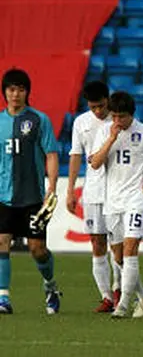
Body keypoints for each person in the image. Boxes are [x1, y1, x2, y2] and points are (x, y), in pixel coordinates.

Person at [90, 92, 143, 318]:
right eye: (114, 116)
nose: (118, 121)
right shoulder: (104, 131)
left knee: (131, 250)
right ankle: (142, 295)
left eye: (122, 117)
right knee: (119, 257)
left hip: (137, 199)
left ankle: (122, 304)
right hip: (112, 201)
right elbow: (94, 163)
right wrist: (111, 139)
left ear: (132, 114)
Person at [0, 69, 62, 314]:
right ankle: (3, 297)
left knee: (37, 249)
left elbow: (51, 154)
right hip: (3, 196)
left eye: (21, 89)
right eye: (11, 89)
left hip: (33, 197)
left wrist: (53, 187)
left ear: (27, 92)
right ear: (4, 92)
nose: (16, 94)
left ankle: (50, 286)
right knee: (1, 241)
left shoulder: (39, 120)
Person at [67, 81, 122, 313]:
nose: (98, 111)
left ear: (108, 100)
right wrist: (70, 189)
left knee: (118, 245)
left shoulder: (119, 121)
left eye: (101, 106)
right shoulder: (81, 122)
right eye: (93, 107)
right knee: (97, 243)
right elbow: (76, 155)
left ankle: (121, 289)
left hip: (118, 190)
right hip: (93, 190)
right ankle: (107, 296)